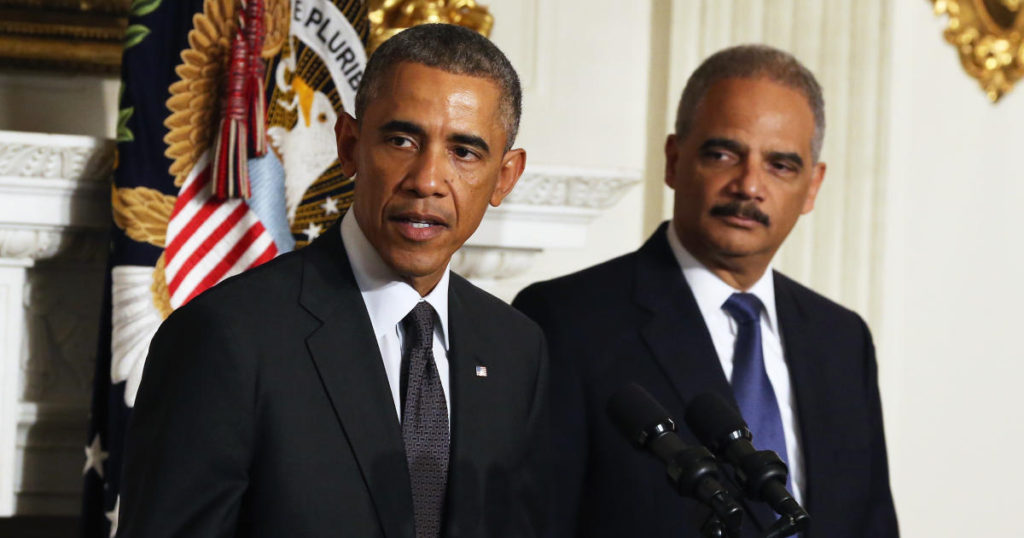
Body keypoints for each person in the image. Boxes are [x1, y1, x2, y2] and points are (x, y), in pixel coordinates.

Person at [119, 24, 547, 538]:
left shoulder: (517, 349)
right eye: (401, 140)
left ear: (504, 176)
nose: (428, 180)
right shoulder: (226, 338)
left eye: (464, 152)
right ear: (348, 145)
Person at [513, 44, 898, 538]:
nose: (749, 185)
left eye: (780, 165)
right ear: (674, 161)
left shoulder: (842, 339)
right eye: (723, 154)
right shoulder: (566, 320)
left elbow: (872, 525)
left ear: (813, 186)